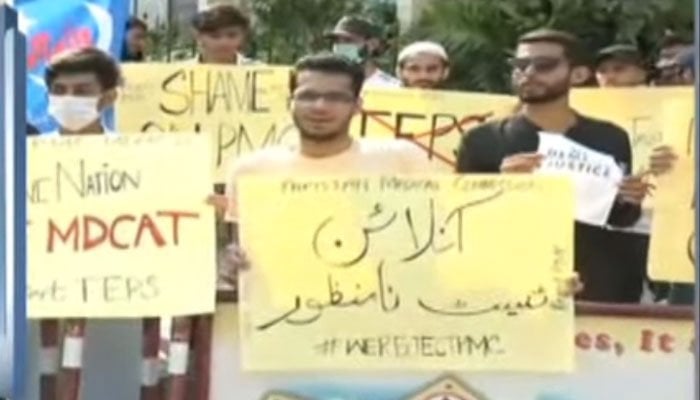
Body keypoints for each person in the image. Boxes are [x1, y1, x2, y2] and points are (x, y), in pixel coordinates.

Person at [455, 29, 650, 303]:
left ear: (579, 74)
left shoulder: (610, 137)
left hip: (598, 291)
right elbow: (462, 224)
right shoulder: (482, 140)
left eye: (544, 65)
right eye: (520, 66)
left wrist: (629, 199)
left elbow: (619, 218)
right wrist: (499, 187)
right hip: (512, 294)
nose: (529, 73)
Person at [44, 47, 121, 135]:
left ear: (109, 97)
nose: (68, 98)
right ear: (48, 96)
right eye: (59, 90)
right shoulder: (31, 147)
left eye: (81, 91)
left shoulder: (129, 148)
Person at [325, 16, 400, 88]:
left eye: (348, 40)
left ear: (372, 44)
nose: (340, 46)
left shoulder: (392, 88)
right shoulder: (324, 83)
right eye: (336, 41)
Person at [190, 4, 256, 65]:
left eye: (232, 35)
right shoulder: (181, 72)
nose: (224, 42)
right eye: (215, 36)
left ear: (243, 36)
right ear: (198, 36)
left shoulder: (261, 72)